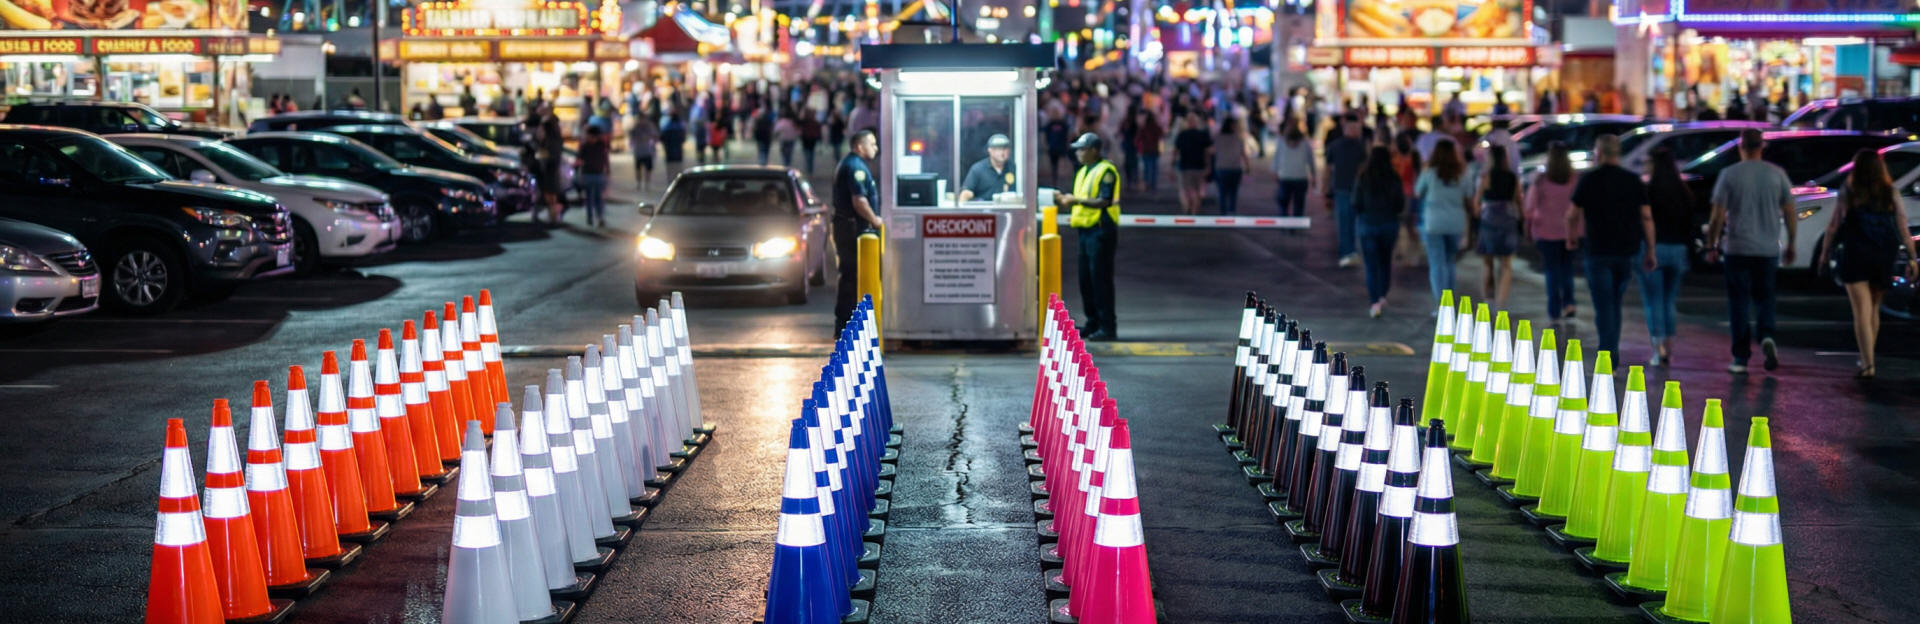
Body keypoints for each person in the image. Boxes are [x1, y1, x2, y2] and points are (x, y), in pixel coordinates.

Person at [1819, 149, 1920, 379]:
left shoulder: (1850, 191)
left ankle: (1867, 364)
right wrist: (1912, 257)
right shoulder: (1890, 192)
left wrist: (1825, 254)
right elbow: (1902, 227)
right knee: (1874, 309)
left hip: (1856, 254)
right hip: (1883, 254)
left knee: (1860, 312)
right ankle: (1868, 358)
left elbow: (1834, 225)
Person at [1706, 128, 1795, 374]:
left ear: (1740, 147)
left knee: (1739, 303)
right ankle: (1767, 335)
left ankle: (1740, 358)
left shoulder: (1729, 174)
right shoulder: (1777, 175)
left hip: (1737, 247)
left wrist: (1711, 244)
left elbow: (1716, 217)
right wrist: (1792, 243)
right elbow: (1789, 211)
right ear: (1762, 147)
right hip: (1767, 248)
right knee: (1765, 297)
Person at [1569, 134, 1658, 358]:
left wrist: (1571, 237)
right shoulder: (1632, 180)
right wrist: (1650, 249)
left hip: (1597, 250)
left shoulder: (1589, 180)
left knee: (1604, 304)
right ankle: (1611, 350)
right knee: (1615, 302)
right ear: (1618, 153)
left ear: (1599, 153)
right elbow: (1646, 216)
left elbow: (1572, 214)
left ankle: (1608, 353)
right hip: (1626, 251)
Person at [1057, 132, 1122, 341]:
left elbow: (1104, 200)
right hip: (1085, 232)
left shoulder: (1106, 171)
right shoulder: (1084, 170)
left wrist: (1075, 200)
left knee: (1100, 280)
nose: (1078, 153)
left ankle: (1107, 327)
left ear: (1094, 150)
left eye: (1082, 149)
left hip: (1100, 231)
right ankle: (1092, 322)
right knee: (1086, 280)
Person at [1633, 146, 1694, 366]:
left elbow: (1643, 220)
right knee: (1669, 300)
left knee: (1653, 300)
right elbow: (1690, 223)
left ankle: (1658, 346)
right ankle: (1668, 344)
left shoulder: (1649, 190)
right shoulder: (1683, 190)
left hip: (1654, 249)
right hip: (1677, 250)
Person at [831, 129, 884, 333]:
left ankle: (849, 323)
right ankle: (845, 325)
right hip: (851, 229)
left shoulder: (854, 164)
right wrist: (875, 220)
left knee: (853, 276)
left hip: (850, 227)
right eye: (872, 143)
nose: (876, 148)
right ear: (860, 146)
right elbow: (859, 200)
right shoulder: (855, 167)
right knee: (851, 276)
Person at [1526, 142, 1581, 323]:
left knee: (1552, 270)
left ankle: (1554, 309)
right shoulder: (1575, 179)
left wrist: (1528, 227)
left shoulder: (1541, 180)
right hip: (1569, 232)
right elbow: (1580, 207)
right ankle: (1570, 303)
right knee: (1567, 268)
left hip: (1545, 231)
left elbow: (1530, 206)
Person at [1416, 139, 1472, 310]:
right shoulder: (1463, 173)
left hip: (1433, 223)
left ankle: (1441, 304)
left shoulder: (1429, 172)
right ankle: (1449, 302)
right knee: (1449, 262)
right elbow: (1469, 195)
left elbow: (1418, 191)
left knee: (1436, 264)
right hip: (1455, 222)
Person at [1353, 145, 1404, 317]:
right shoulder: (1394, 177)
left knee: (1370, 265)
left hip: (1368, 225)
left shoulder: (1363, 177)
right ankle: (1382, 294)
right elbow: (1400, 204)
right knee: (1385, 261)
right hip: (1389, 224)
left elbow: (1356, 202)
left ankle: (1374, 301)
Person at [1476, 146, 1520, 309]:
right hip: (1508, 219)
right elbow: (1518, 199)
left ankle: (1488, 297)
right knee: (1506, 263)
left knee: (1488, 261)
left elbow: (1476, 202)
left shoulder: (1486, 177)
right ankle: (1501, 303)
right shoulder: (1512, 177)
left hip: (1489, 219)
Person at [1324, 113, 1369, 267]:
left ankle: (1346, 253)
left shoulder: (1334, 146)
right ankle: (1352, 252)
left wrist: (1326, 190)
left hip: (1340, 188)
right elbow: (1364, 170)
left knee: (1344, 223)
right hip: (1357, 189)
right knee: (1356, 222)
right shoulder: (1361, 147)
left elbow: (1328, 169)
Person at [1272, 120, 1315, 218]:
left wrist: (1275, 173)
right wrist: (1313, 175)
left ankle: (1284, 223)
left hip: (1285, 177)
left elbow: (1276, 160)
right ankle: (1296, 224)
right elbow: (1311, 161)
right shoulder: (1305, 143)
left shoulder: (1281, 143)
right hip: (1301, 177)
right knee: (1299, 204)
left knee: (1283, 204)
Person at [959, 134, 1017, 203]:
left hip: (1006, 209)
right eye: (998, 149)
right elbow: (965, 194)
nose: (1002, 152)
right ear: (990, 150)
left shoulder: (1013, 168)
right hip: (983, 211)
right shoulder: (978, 169)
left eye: (1005, 148)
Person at [1173, 112, 1211, 215]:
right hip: (1199, 166)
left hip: (1185, 167)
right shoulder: (1203, 135)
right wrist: (1208, 166)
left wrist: (1172, 164)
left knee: (1186, 190)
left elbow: (1175, 151)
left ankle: (1188, 208)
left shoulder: (1182, 135)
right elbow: (1209, 151)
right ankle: (1194, 211)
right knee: (1197, 191)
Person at [1213, 117, 1250, 215]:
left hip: (1221, 168)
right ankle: (1231, 212)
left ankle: (1223, 213)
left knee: (1222, 192)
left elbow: (1212, 152)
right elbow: (1244, 154)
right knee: (1233, 192)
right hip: (1235, 168)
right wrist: (1247, 166)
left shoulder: (1218, 137)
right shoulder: (1238, 138)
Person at [576, 124, 611, 227]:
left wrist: (607, 170)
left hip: (598, 175)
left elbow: (605, 158)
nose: (588, 137)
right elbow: (579, 160)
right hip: (588, 175)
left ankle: (599, 217)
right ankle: (590, 217)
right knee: (589, 198)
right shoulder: (584, 146)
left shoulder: (601, 145)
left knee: (598, 198)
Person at [628, 110, 659, 192]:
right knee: (638, 169)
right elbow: (631, 139)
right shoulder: (635, 128)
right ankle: (639, 183)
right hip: (639, 151)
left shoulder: (649, 127)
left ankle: (647, 184)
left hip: (647, 151)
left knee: (648, 169)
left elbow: (655, 137)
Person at [1136, 110, 1164, 193]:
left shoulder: (1144, 128)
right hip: (1154, 150)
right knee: (1154, 168)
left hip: (1146, 150)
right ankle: (1153, 185)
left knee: (1147, 168)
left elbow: (1137, 139)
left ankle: (1147, 184)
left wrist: (1139, 148)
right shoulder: (1156, 127)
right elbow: (1161, 136)